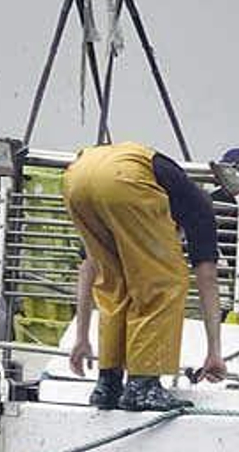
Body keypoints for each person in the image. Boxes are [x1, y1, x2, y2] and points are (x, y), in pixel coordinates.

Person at [64, 142, 227, 411]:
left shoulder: (150, 199)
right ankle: (142, 386)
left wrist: (81, 338)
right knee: (164, 280)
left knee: (115, 280)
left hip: (77, 175)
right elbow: (207, 278)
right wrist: (214, 352)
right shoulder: (198, 210)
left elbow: (89, 268)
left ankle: (108, 383)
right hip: (124, 179)